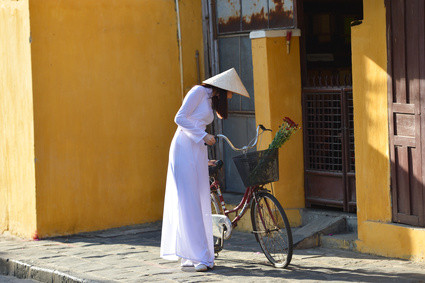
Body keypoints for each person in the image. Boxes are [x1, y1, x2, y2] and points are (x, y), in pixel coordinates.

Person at [160, 68, 250, 272]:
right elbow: (179, 118)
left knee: (199, 200)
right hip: (184, 147)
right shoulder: (198, 92)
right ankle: (197, 255)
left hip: (197, 150)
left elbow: (195, 122)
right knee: (188, 201)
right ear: (223, 86)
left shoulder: (210, 99)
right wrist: (202, 136)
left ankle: (194, 255)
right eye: (232, 90)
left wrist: (203, 148)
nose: (232, 94)